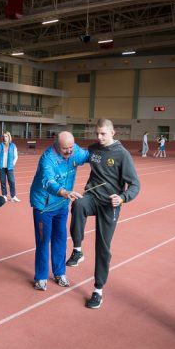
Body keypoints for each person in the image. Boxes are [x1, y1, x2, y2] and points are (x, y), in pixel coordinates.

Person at [67, 118, 141, 309]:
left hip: (110, 204)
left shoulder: (122, 154)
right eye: (97, 133)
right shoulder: (93, 149)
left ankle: (98, 290)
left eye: (103, 134)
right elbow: (74, 154)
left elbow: (135, 185)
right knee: (78, 203)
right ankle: (77, 250)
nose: (99, 137)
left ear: (112, 133)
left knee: (103, 246)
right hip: (92, 197)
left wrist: (123, 198)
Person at [29, 132, 90, 291]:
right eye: (65, 148)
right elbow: (48, 181)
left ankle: (60, 273)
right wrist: (64, 192)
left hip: (62, 205)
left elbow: (88, 156)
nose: (69, 151)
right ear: (56, 145)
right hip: (44, 206)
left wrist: (105, 151)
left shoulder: (75, 150)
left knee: (60, 239)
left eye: (71, 147)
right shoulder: (47, 159)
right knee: (43, 241)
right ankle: (41, 277)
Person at [0, 131, 19, 202]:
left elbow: (16, 156)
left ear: (9, 137)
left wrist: (13, 164)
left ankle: (13, 196)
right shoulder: (0, 145)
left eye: (6, 136)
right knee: (3, 182)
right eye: (4, 136)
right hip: (1, 167)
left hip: (10, 167)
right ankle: (4, 195)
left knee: (12, 181)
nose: (5, 138)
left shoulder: (13, 146)